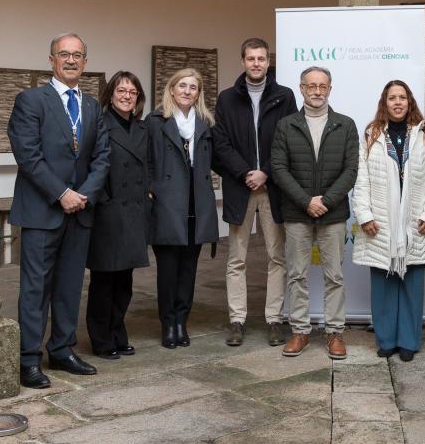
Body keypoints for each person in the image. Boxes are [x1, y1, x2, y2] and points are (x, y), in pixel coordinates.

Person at [8, 33, 110, 388]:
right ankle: (28, 359)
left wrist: (82, 195)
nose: (71, 60)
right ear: (51, 59)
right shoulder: (31, 100)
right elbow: (28, 155)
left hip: (80, 211)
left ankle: (63, 350)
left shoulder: (94, 106)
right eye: (64, 54)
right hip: (41, 211)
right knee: (36, 288)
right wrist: (61, 193)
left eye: (77, 55)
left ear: (85, 61)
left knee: (69, 286)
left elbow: (102, 157)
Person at [212, 38, 297, 347]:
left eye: (261, 58)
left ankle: (274, 320)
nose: (257, 63)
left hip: (273, 188)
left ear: (267, 61)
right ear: (243, 61)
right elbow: (220, 143)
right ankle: (237, 319)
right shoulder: (227, 99)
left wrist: (267, 173)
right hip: (241, 187)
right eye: (251, 58)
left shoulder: (284, 96)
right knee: (237, 257)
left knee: (277, 257)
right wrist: (246, 172)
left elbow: (289, 140)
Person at [352, 80, 425, 362]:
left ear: (409, 101)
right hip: (380, 221)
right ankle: (386, 340)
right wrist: (364, 215)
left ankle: (408, 341)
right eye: (392, 98)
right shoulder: (372, 134)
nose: (398, 102)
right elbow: (361, 178)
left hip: (415, 222)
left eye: (402, 97)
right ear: (385, 102)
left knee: (412, 287)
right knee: (383, 286)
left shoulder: (424, 134)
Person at [271, 66, 358, 359]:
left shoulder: (346, 125)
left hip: (333, 214)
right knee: (297, 275)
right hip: (297, 214)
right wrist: (306, 201)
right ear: (302, 88)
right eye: (311, 86)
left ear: (330, 89)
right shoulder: (286, 125)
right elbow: (279, 169)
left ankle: (335, 333)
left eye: (322, 86)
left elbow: (351, 170)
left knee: (335, 276)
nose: (317, 91)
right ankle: (300, 331)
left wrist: (326, 201)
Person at [146, 68, 219, 349]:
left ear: (198, 94)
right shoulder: (156, 121)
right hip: (167, 205)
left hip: (196, 206)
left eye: (193, 87)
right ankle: (167, 323)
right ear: (172, 89)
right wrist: (152, 187)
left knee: (188, 270)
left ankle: (181, 321)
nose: (187, 91)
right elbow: (146, 159)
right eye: (182, 86)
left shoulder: (205, 123)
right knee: (167, 271)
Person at [85, 71, 150, 360]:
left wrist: (149, 193)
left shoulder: (142, 128)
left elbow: (150, 165)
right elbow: (88, 166)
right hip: (108, 213)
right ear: (110, 94)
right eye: (121, 91)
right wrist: (104, 200)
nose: (126, 96)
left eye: (132, 92)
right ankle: (101, 339)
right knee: (104, 282)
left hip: (135, 212)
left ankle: (118, 331)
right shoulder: (99, 125)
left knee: (124, 282)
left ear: (138, 98)